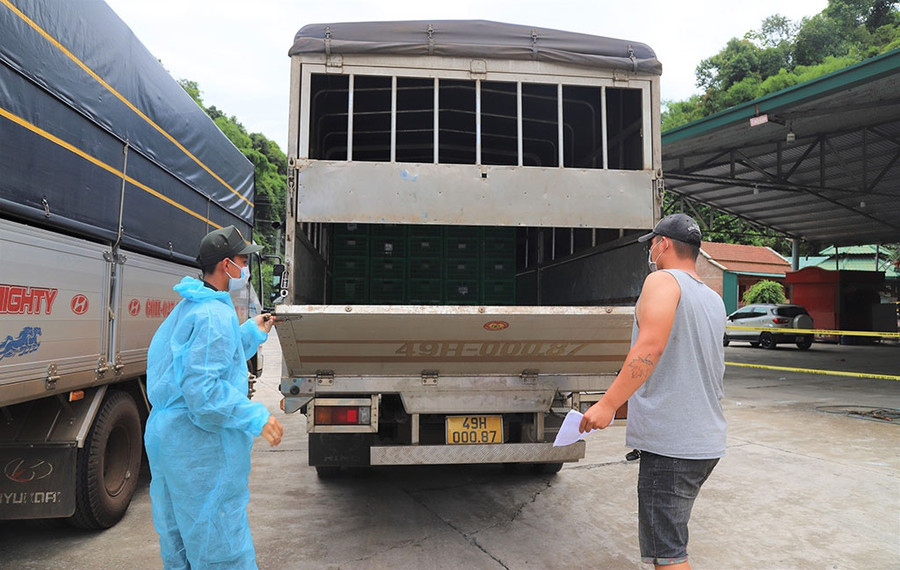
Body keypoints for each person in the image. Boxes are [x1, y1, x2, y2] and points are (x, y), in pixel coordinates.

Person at [580, 213, 726, 570]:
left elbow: (650, 348)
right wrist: (633, 402)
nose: (650, 250)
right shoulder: (712, 297)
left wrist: (608, 403)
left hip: (673, 444)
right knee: (671, 544)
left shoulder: (661, 280)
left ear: (662, 244)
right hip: (704, 440)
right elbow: (688, 363)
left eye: (652, 243)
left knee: (669, 555)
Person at [145, 225, 285, 569]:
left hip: (169, 439)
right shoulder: (213, 314)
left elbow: (208, 360)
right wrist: (256, 417)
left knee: (178, 539)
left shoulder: (191, 307)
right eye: (242, 260)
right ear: (227, 265)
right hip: (197, 447)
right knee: (219, 540)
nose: (245, 267)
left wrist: (253, 331)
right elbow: (204, 394)